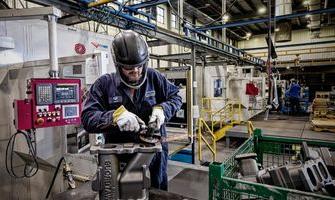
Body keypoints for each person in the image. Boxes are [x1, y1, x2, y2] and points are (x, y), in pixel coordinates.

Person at [81, 30, 182, 190]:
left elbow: (176, 97)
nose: (136, 71)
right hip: (120, 153)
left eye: (139, 66)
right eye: (129, 68)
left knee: (158, 191)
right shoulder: (104, 85)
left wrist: (163, 109)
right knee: (121, 191)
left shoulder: (154, 78)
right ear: (118, 65)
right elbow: (87, 118)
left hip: (154, 150)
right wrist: (115, 116)